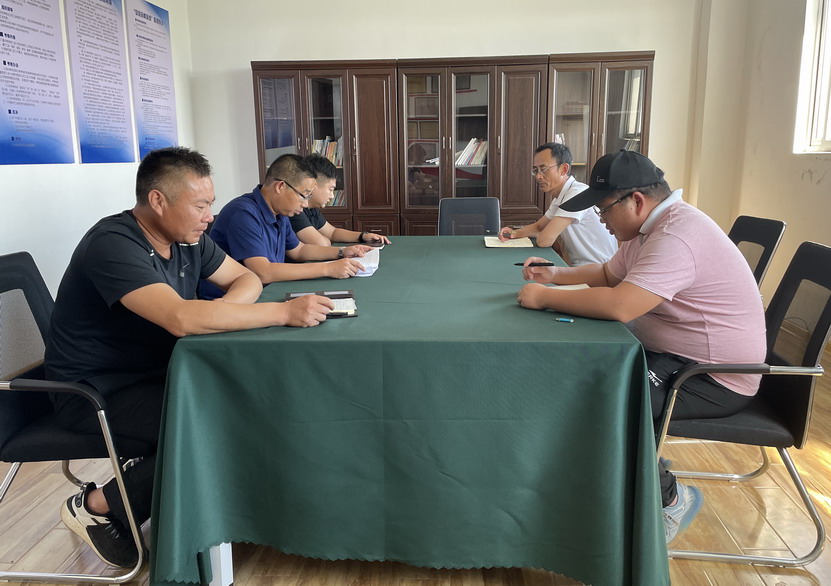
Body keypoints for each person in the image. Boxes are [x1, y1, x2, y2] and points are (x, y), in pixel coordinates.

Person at [44, 147, 334, 568]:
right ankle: (96, 505)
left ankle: (204, 499)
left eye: (210, 204)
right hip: (94, 392)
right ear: (158, 200)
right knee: (219, 423)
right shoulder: (113, 244)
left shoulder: (188, 241)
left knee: (249, 400)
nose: (209, 217)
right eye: (200, 205)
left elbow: (247, 277)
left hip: (160, 372)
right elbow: (180, 318)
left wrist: (227, 310)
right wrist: (283, 312)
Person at [515, 150, 766, 543]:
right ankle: (632, 467)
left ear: (635, 201)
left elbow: (621, 304)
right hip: (672, 358)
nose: (601, 220)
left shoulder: (677, 235)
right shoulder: (648, 229)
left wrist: (545, 298)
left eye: (603, 210)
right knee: (586, 373)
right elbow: (608, 274)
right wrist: (555, 275)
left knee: (610, 399)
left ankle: (671, 499)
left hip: (710, 376)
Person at [199, 154, 372, 300]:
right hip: (230, 300)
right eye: (304, 195)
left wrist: (341, 252)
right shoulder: (243, 213)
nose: (305, 204)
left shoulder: (280, 212)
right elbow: (262, 272)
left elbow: (299, 250)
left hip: (268, 289)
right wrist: (327, 268)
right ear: (280, 186)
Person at [498, 143, 617, 266]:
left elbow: (545, 240)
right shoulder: (561, 196)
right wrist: (514, 233)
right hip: (582, 267)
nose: (538, 176)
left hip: (599, 269)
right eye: (535, 170)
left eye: (544, 169)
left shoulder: (577, 193)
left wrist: (544, 234)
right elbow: (539, 227)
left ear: (563, 169)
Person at [290, 153, 391, 246]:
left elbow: (332, 232)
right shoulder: (296, 211)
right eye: (330, 189)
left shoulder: (312, 209)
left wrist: (363, 236)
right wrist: (329, 242)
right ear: (313, 185)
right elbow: (321, 244)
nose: (332, 196)